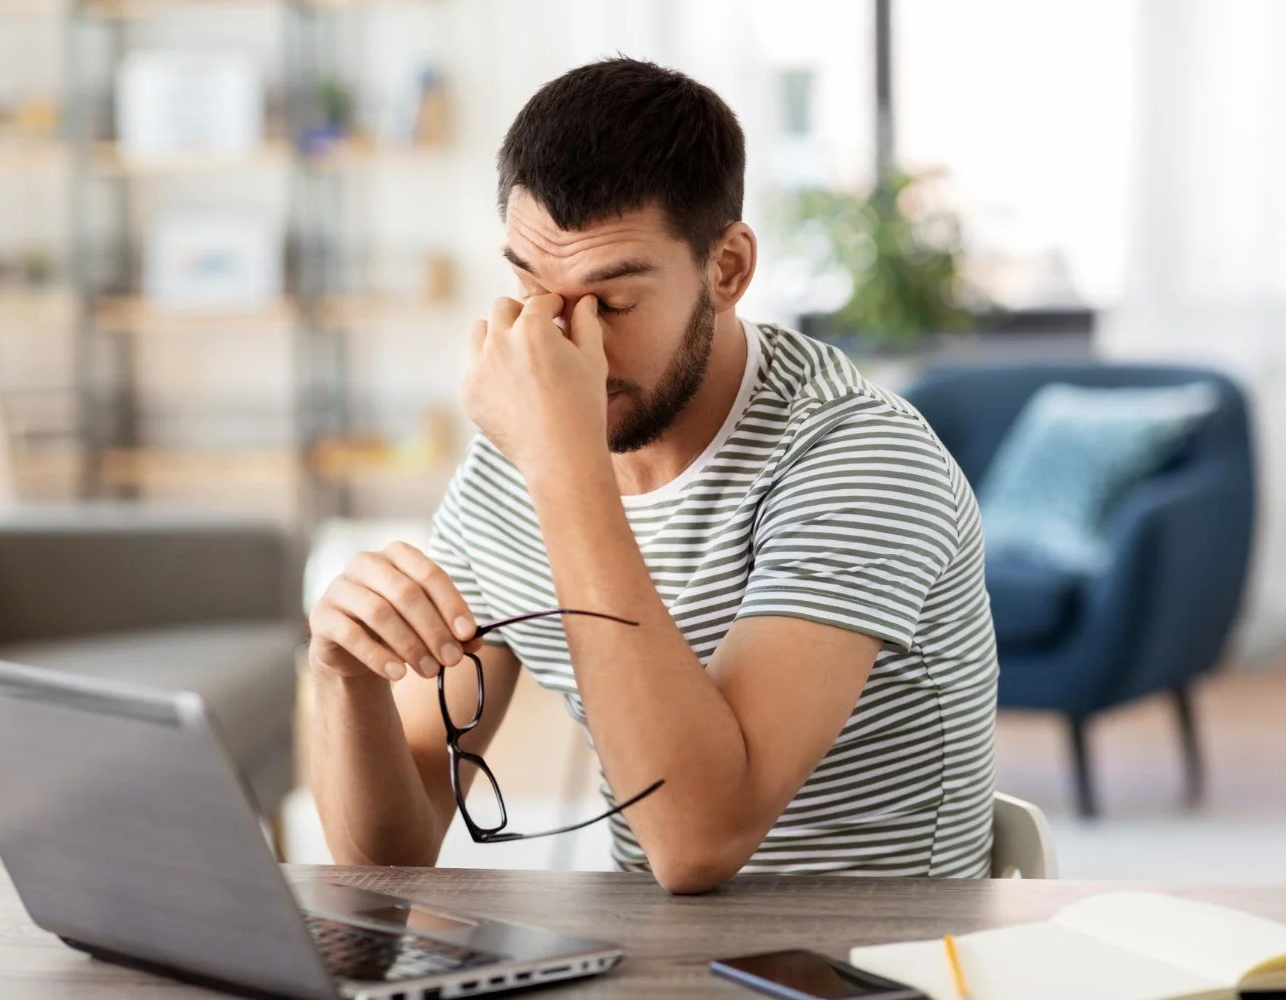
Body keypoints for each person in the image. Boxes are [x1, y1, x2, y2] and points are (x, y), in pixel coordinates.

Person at [309, 57, 997, 894]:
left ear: (728, 270)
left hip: (880, 961)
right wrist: (342, 678)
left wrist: (562, 459)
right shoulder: (518, 453)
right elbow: (390, 853)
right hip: (655, 960)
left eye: (615, 302)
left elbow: (699, 842)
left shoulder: (861, 460)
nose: (564, 342)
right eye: (530, 285)